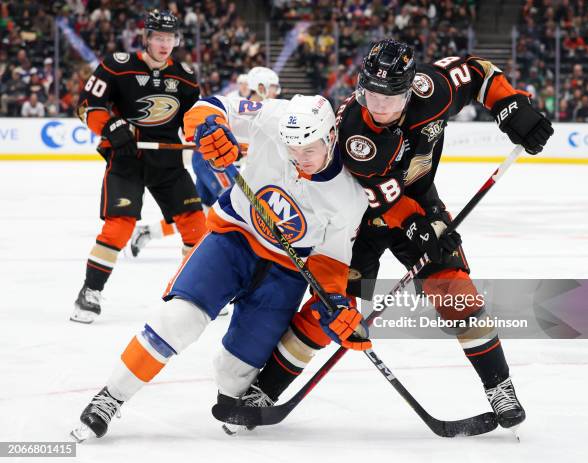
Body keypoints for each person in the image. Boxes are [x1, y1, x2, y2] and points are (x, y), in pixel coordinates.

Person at [229, 39, 554, 432]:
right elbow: (381, 197)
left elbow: (479, 71)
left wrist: (510, 105)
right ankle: (264, 389)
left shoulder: (432, 90)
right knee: (332, 309)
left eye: (391, 95)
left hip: (419, 201)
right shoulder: (352, 130)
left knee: (455, 290)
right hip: (359, 218)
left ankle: (500, 387)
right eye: (372, 92)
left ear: (411, 86)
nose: (379, 105)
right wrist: (420, 227)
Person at [69, 93, 370, 442]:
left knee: (233, 374)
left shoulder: (349, 198)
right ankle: (111, 396)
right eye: (292, 149)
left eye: (309, 150)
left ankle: (254, 389)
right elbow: (211, 107)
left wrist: (333, 301)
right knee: (176, 320)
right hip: (233, 240)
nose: (299, 159)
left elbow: (330, 264)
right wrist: (210, 127)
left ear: (330, 136)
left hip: (285, 271)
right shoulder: (274, 116)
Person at [70, 9, 207, 324]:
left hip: (168, 163)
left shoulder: (184, 75)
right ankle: (90, 292)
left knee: (196, 226)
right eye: (158, 37)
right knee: (120, 225)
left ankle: (191, 293)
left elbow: (193, 118)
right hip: (127, 159)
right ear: (145, 37)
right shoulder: (117, 66)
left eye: (169, 37)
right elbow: (87, 105)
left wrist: (205, 134)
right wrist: (111, 126)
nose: (164, 44)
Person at [128, 66, 282, 258]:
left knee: (201, 213)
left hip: (217, 162)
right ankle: (235, 257)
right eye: (274, 87)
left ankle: (148, 232)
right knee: (238, 205)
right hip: (213, 162)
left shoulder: (264, 110)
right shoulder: (240, 107)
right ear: (261, 87)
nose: (277, 92)